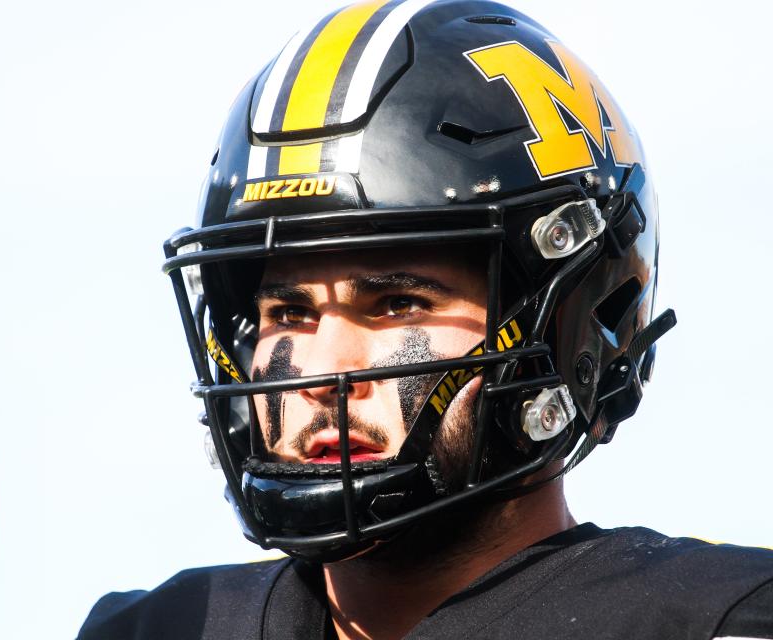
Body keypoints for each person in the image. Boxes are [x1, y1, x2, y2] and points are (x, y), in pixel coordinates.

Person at [79, 1, 773, 638]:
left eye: (397, 304)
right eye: (288, 312)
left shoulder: (717, 619)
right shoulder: (163, 628)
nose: (323, 369)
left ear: (566, 326)